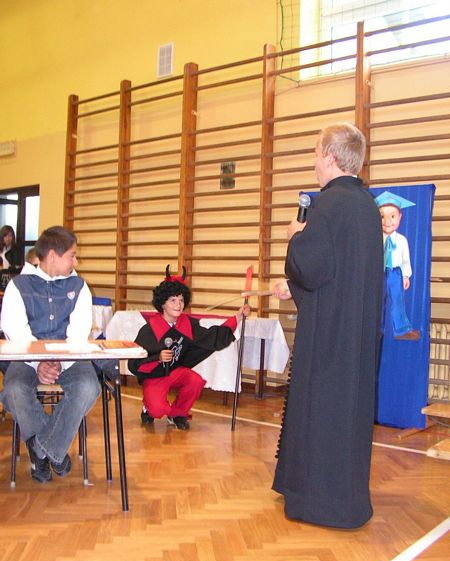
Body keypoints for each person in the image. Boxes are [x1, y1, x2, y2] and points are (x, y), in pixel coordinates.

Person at [272, 123, 384, 529]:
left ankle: (317, 502)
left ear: (331, 158)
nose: (315, 163)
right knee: (348, 418)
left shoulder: (329, 205)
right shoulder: (367, 206)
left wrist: (295, 237)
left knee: (320, 413)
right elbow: (341, 274)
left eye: (317, 154)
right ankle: (348, 498)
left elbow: (311, 267)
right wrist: (295, 288)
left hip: (329, 338)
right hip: (356, 334)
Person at [0, 226, 101, 483]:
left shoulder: (79, 286)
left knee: (88, 386)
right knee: (14, 389)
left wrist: (58, 362)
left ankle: (41, 449)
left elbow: (78, 333)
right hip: (26, 358)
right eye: (72, 255)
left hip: (70, 358)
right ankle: (53, 450)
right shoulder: (18, 286)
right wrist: (39, 362)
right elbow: (14, 331)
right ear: (53, 256)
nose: (76, 262)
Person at [128, 266, 250, 430]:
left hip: (175, 372)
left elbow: (212, 336)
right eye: (173, 300)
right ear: (162, 303)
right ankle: (148, 408)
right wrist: (157, 358)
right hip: (155, 376)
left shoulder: (186, 324)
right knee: (157, 410)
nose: (178, 305)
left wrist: (238, 317)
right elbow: (135, 361)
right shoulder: (149, 329)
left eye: (181, 300)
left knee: (195, 381)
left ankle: (177, 414)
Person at [375, 191, 420, 341]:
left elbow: (405, 260)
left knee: (397, 300)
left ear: (400, 216)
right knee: (378, 300)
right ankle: (376, 329)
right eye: (382, 216)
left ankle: (401, 329)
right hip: (379, 273)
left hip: (395, 273)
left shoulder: (401, 240)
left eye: (392, 216)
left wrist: (406, 275)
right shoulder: (375, 239)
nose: (387, 221)